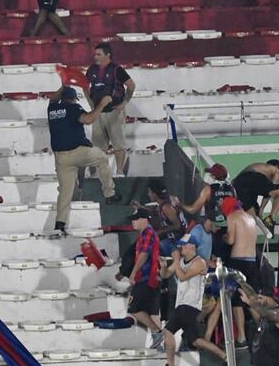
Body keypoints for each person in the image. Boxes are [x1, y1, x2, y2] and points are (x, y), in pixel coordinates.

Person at [46, 86, 120, 234]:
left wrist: (63, 85)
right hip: (79, 152)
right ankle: (109, 194)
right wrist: (102, 105)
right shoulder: (74, 107)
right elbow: (88, 119)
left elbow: (53, 98)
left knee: (65, 192)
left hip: (61, 157)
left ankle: (60, 223)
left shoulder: (52, 108)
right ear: (74, 99)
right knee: (103, 158)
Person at [154, 233, 227, 366]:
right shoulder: (180, 261)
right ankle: (225, 356)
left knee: (168, 331)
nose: (180, 247)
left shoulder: (199, 262)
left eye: (183, 245)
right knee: (195, 340)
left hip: (189, 305)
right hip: (182, 304)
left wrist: (175, 259)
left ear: (192, 246)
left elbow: (182, 277)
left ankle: (171, 365)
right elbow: (165, 275)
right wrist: (163, 266)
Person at [85, 42, 136, 176]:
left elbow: (131, 85)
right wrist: (90, 102)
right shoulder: (92, 69)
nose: (95, 57)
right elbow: (84, 85)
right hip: (98, 112)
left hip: (114, 112)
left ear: (108, 55)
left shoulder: (116, 69)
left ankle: (119, 171)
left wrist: (124, 103)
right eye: (95, 54)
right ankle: (99, 172)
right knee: (98, 146)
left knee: (118, 144)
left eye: (98, 54)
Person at [222, 196, 259, 349]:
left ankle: (242, 338)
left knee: (237, 301)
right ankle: (263, 329)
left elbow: (231, 240)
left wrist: (223, 236)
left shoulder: (232, 217)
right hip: (252, 261)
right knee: (251, 298)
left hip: (238, 262)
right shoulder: (251, 218)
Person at [127, 208, 165, 350]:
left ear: (144, 219)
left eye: (136, 219)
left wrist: (133, 272)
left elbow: (144, 254)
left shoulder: (148, 233)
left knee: (134, 308)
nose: (133, 221)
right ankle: (160, 346)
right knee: (151, 311)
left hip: (146, 278)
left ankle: (157, 332)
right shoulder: (145, 233)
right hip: (149, 278)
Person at [238, 281, 279, 366]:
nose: (259, 301)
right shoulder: (264, 316)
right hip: (263, 364)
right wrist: (240, 280)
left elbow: (262, 311)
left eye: (261, 298)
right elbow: (253, 296)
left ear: (271, 298)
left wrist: (250, 302)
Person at [130, 179, 186, 255]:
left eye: (149, 192)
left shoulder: (166, 207)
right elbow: (155, 209)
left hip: (179, 241)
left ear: (154, 194)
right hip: (172, 239)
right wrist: (140, 207)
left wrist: (160, 231)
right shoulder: (163, 204)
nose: (148, 194)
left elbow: (177, 225)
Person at [231, 159, 279, 228]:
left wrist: (260, 211)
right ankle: (270, 219)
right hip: (252, 177)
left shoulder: (259, 168)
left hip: (238, 186)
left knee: (252, 220)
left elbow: (268, 192)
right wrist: (263, 210)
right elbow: (272, 190)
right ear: (277, 166)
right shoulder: (276, 170)